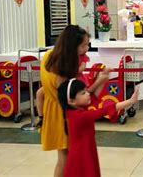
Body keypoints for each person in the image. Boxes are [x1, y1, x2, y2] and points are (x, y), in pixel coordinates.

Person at [39, 25, 109, 177]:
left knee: (63, 156)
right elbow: (78, 98)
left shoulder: (49, 56)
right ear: (72, 46)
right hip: (63, 116)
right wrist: (100, 80)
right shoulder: (64, 69)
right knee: (65, 158)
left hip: (51, 111)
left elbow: (43, 90)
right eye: (83, 45)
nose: (87, 48)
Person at [57, 79, 139, 177]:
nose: (87, 94)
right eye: (83, 93)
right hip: (82, 155)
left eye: (86, 91)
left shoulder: (73, 111)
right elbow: (104, 110)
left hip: (85, 150)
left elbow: (94, 98)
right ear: (71, 101)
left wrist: (103, 78)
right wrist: (130, 101)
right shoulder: (80, 116)